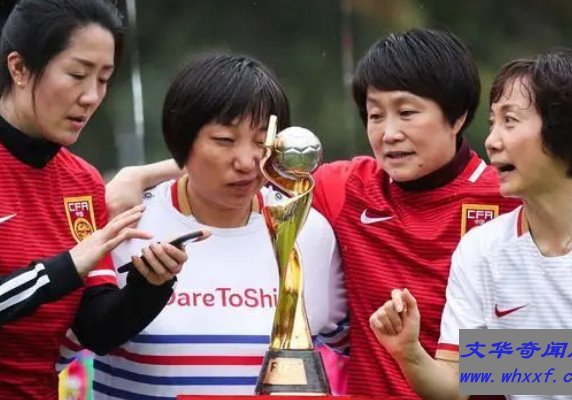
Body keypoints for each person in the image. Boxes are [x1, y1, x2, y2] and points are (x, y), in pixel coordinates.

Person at [106, 29, 520, 397]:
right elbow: (250, 165)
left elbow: (559, 359)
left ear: (458, 116)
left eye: (407, 112)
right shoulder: (347, 189)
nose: (389, 133)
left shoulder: (511, 201)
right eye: (375, 115)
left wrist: (445, 365)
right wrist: (140, 174)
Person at [92, 53, 348, 399]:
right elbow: (56, 349)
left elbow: (367, 350)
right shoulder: (127, 222)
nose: (246, 162)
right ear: (182, 138)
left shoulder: (309, 231)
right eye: (225, 140)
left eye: (262, 142)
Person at [370, 50, 572, 399]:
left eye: (510, 121)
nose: (491, 141)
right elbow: (456, 384)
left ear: (565, 130)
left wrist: (498, 364)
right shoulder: (481, 249)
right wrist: (411, 353)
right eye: (493, 122)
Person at [0, 1, 193, 398]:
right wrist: (64, 267)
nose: (91, 96)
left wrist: (150, 284)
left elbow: (97, 331)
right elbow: (67, 270)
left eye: (104, 79)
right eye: (77, 75)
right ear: (18, 68)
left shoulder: (81, 181)